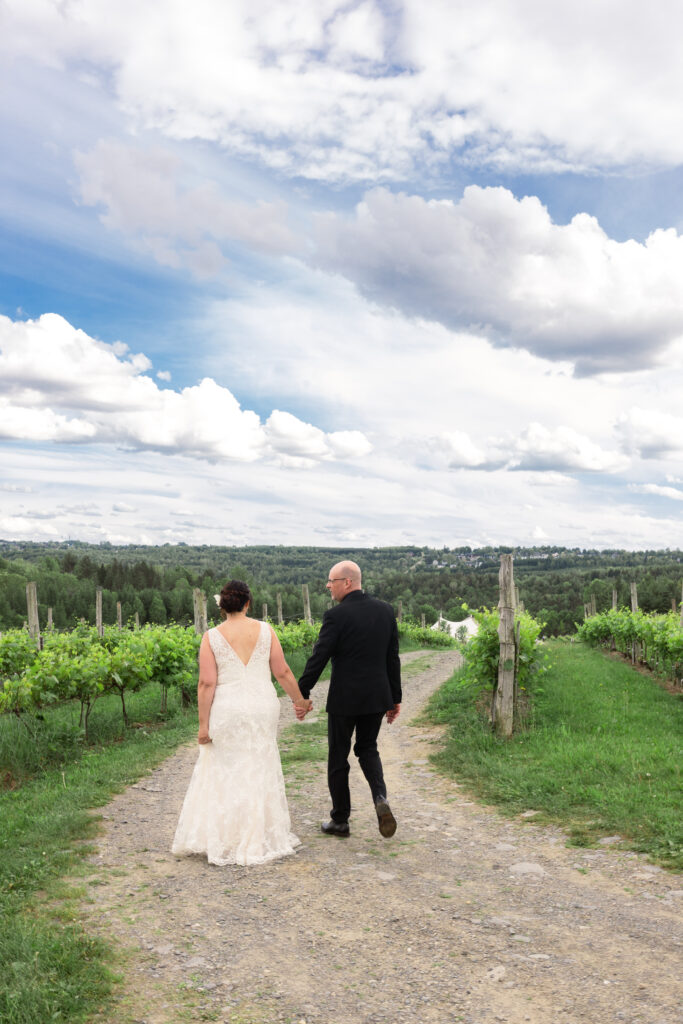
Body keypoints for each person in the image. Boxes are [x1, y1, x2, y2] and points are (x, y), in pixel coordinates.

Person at [172, 579, 312, 866]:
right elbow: (283, 671)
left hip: (228, 708)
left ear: (222, 606)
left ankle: (227, 835)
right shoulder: (266, 630)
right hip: (262, 705)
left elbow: (206, 683)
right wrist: (299, 701)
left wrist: (203, 725)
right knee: (260, 763)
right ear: (248, 603)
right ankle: (259, 834)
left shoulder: (211, 636)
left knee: (225, 767)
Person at [297, 560, 402, 839]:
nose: (328, 586)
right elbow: (392, 658)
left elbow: (319, 656)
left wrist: (301, 693)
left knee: (338, 756)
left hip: (345, 699)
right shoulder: (385, 611)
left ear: (348, 582)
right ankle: (380, 796)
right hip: (378, 697)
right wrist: (395, 698)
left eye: (332, 581)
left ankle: (340, 820)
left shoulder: (336, 616)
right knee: (368, 749)